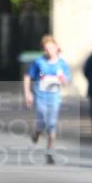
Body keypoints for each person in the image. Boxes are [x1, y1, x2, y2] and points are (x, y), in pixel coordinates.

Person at [23, 35, 71, 165]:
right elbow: (28, 76)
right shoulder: (39, 62)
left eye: (50, 48)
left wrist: (63, 80)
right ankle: (37, 132)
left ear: (56, 48)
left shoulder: (62, 64)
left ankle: (49, 152)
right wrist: (27, 93)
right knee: (42, 122)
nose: (48, 51)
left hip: (54, 97)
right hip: (41, 97)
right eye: (45, 49)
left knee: (51, 124)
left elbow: (67, 81)